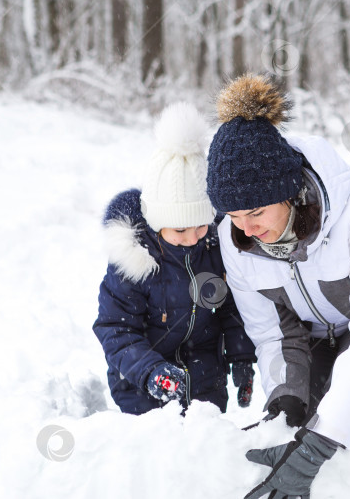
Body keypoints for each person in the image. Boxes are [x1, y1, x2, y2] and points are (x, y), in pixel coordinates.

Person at [205, 75, 350, 498]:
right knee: (296, 417)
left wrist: (318, 447)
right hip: (308, 330)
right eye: (233, 215)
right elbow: (272, 332)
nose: (246, 229)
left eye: (255, 211)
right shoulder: (234, 240)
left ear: (288, 192)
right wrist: (285, 398)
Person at [93, 102, 256, 416]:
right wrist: (152, 370)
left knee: (202, 451)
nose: (192, 237)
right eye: (180, 229)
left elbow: (231, 308)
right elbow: (116, 328)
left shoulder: (214, 248)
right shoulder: (134, 261)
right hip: (143, 383)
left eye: (200, 225)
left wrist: (242, 356)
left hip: (205, 378)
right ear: (157, 221)